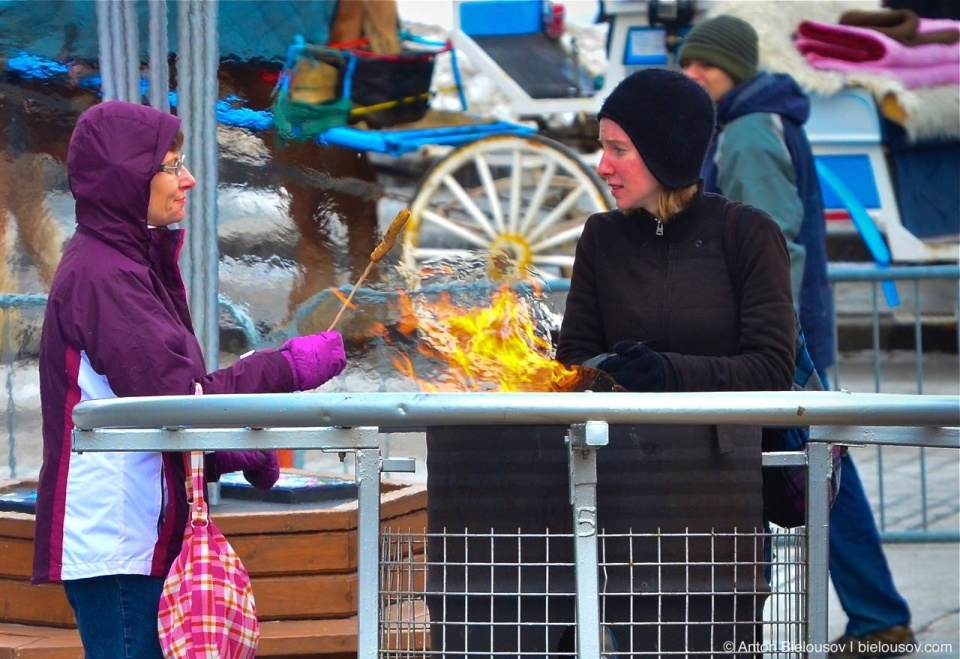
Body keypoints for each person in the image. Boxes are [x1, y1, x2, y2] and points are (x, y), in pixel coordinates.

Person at [31, 100, 347, 658]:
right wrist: (286, 368)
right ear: (128, 178)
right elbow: (173, 402)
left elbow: (159, 399)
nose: (189, 179)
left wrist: (226, 450)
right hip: (123, 546)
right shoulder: (106, 275)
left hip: (137, 537)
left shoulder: (119, 262)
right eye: (172, 165)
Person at [678, 15, 917, 658]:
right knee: (814, 473)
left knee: (815, 476)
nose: (694, 75)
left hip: (778, 340)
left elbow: (771, 246)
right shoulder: (757, 118)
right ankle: (863, 616)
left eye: (707, 65)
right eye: (688, 64)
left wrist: (766, 338)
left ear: (738, 67)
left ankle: (873, 617)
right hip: (788, 332)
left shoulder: (750, 132)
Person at [552, 68, 795, 655]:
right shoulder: (601, 238)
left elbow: (772, 369)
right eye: (602, 149)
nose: (603, 166)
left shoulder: (747, 234)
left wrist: (671, 374)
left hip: (721, 505)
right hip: (619, 505)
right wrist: (609, 371)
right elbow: (572, 365)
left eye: (619, 150)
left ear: (666, 151)